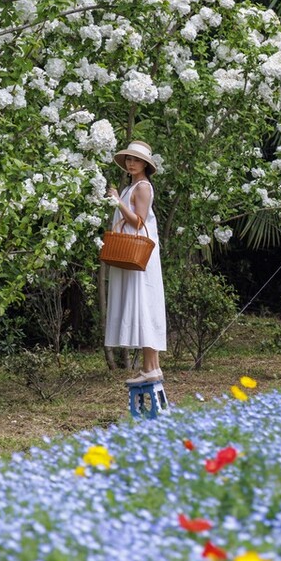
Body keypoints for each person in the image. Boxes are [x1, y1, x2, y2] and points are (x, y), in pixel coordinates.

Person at [105, 141, 167, 384]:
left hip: (140, 254)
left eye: (136, 160)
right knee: (143, 302)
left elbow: (138, 222)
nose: (131, 163)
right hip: (133, 253)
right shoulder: (133, 186)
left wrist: (118, 201)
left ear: (145, 165)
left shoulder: (142, 187)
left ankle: (151, 367)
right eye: (129, 159)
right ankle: (151, 367)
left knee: (145, 302)